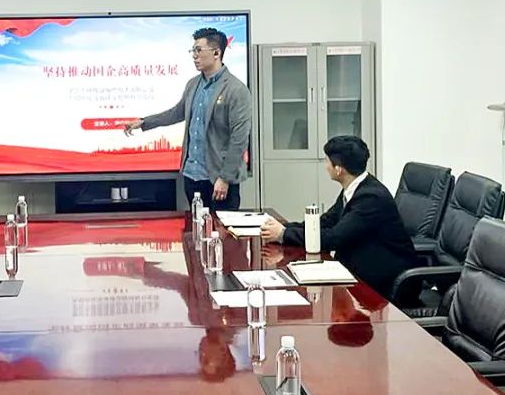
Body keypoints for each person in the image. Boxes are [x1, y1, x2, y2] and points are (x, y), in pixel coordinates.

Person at [260, 136, 417, 302]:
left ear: (339, 169)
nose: (326, 167)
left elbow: (335, 238)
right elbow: (326, 221)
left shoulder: (371, 197)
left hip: (386, 280)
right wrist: (285, 228)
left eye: (327, 162)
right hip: (361, 268)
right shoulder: (356, 187)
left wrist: (284, 234)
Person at [123, 27, 252, 211]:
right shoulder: (193, 84)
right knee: (195, 226)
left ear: (216, 53)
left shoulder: (236, 89)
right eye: (193, 51)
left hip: (219, 179)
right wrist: (144, 122)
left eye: (199, 50)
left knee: (221, 229)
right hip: (192, 177)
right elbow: (177, 112)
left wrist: (225, 178)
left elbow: (239, 139)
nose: (194, 56)